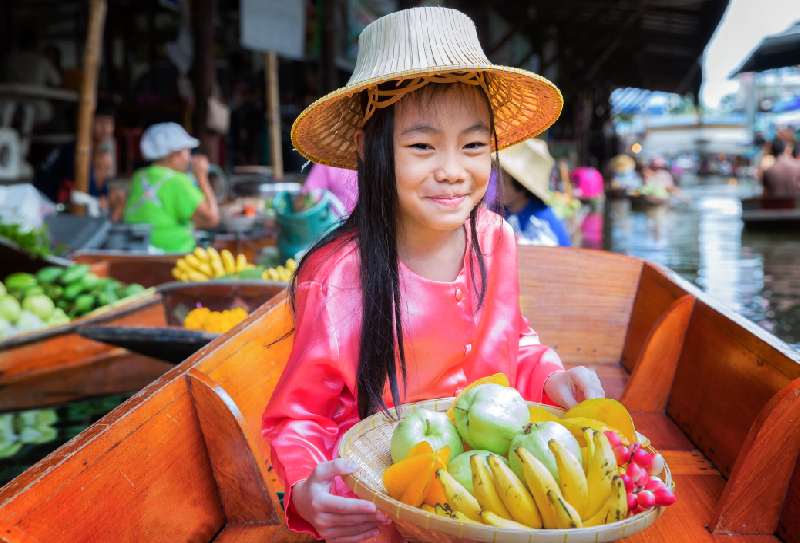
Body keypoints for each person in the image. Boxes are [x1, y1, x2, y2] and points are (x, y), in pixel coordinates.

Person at [261, 7, 605, 542]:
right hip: (381, 505)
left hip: (491, 489)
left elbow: (515, 342)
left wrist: (552, 378)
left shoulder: (494, 238)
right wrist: (310, 491)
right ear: (369, 149)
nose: (452, 169)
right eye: (422, 145)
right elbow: (300, 418)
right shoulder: (336, 275)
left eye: (472, 145)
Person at [123, 122, 219, 253]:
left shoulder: (138, 177)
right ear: (174, 154)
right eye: (186, 151)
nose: (189, 158)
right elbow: (211, 219)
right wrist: (202, 177)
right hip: (172, 255)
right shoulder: (177, 181)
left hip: (138, 252)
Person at [34, 101, 117, 206]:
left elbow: (102, 193)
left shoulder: (98, 152)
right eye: (100, 122)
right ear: (87, 122)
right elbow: (77, 193)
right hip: (47, 203)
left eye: (109, 123)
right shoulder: (75, 150)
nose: (106, 129)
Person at [497, 139, 571, 246]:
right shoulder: (505, 211)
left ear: (520, 186)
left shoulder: (540, 223)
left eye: (503, 182)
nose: (496, 186)